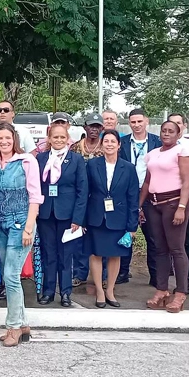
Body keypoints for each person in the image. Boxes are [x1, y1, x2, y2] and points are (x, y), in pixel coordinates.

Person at [0, 122, 42, 347]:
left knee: (11, 275)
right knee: (6, 274)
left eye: (8, 138)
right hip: (1, 225)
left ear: (15, 140)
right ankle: (24, 323)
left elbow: (35, 196)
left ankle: (13, 327)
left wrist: (29, 227)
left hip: (21, 223)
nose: (4, 142)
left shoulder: (27, 161)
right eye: (0, 138)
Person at [141, 120, 189, 313]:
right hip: (154, 205)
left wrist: (182, 206)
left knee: (177, 249)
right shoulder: (153, 154)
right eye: (164, 130)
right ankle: (162, 290)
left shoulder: (182, 151)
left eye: (171, 131)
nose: (166, 133)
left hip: (174, 202)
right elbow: (147, 182)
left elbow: (187, 181)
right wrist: (138, 206)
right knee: (159, 249)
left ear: (178, 134)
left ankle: (180, 293)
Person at [85, 130, 139, 308]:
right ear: (101, 144)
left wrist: (132, 227)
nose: (109, 144)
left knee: (115, 255)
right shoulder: (92, 165)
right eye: (105, 141)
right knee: (96, 254)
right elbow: (85, 193)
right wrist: (82, 220)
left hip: (119, 218)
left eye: (112, 141)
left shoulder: (128, 168)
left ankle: (110, 290)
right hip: (96, 217)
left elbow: (133, 198)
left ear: (118, 144)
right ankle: (99, 291)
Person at [35, 124, 87, 307]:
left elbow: (82, 190)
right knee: (48, 253)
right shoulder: (40, 159)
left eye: (62, 137)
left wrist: (77, 218)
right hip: (46, 213)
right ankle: (48, 291)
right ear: (49, 139)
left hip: (67, 214)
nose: (58, 140)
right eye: (55, 137)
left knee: (66, 255)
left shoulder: (76, 160)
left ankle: (65, 292)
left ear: (68, 139)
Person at [120, 108, 160, 286]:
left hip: (151, 193)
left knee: (152, 236)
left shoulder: (157, 142)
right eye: (133, 122)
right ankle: (122, 273)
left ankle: (156, 276)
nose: (136, 125)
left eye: (139, 121)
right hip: (126, 193)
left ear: (146, 121)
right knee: (125, 233)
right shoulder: (121, 143)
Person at [69, 112, 105, 286]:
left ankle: (103, 276)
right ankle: (79, 274)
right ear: (85, 127)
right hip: (79, 198)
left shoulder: (106, 147)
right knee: (78, 238)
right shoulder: (75, 147)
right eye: (91, 126)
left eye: (97, 126)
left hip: (99, 199)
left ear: (102, 129)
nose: (94, 129)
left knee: (100, 236)